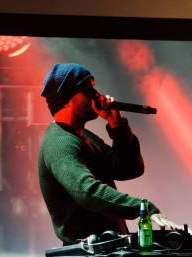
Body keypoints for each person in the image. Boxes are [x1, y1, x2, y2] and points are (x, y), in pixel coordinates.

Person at [38, 63, 180, 244]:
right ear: (67, 98)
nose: (97, 95)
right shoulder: (60, 143)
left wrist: (116, 124)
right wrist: (142, 208)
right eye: (88, 89)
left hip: (105, 250)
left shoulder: (84, 137)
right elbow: (87, 192)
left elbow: (129, 168)